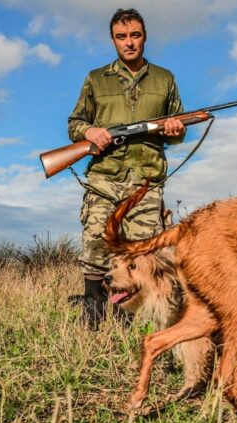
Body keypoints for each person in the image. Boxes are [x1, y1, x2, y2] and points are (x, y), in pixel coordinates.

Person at [68, 8, 186, 330]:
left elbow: (179, 129)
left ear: (144, 37)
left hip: (146, 181)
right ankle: (92, 316)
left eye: (135, 35)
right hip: (104, 178)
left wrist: (176, 129)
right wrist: (89, 132)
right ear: (113, 40)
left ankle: (126, 320)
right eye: (122, 37)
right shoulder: (96, 79)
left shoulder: (164, 79)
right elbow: (75, 124)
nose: (129, 42)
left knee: (142, 251)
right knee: (95, 243)